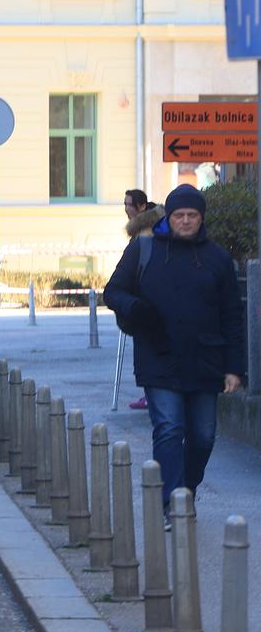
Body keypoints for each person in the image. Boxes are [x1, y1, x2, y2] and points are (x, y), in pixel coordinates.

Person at [103, 184, 244, 529]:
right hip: (158, 356)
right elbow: (113, 291)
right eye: (179, 215)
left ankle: (187, 490)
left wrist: (234, 368)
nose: (185, 221)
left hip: (205, 360)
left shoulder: (217, 258)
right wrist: (135, 307)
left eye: (192, 215)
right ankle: (172, 503)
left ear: (201, 218)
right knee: (168, 428)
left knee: (203, 435)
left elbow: (232, 316)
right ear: (168, 216)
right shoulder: (144, 249)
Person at [121, 189, 164, 410]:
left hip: (148, 300)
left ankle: (151, 393)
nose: (126, 209)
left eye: (129, 204)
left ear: (142, 206)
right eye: (125, 204)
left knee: (149, 350)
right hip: (142, 299)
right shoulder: (141, 229)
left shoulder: (146, 232)